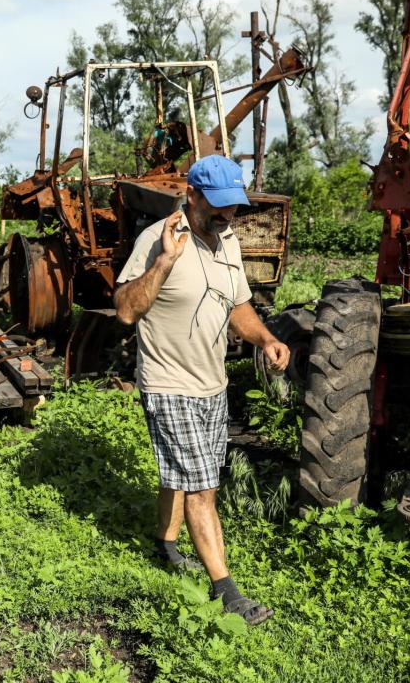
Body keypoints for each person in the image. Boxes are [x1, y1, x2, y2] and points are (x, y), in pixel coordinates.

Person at [114, 154, 290, 627]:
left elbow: (239, 306)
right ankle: (228, 592)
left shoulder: (227, 239)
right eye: (217, 205)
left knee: (183, 472)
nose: (226, 215)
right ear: (191, 194)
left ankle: (165, 545)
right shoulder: (157, 240)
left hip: (213, 383)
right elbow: (127, 310)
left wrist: (266, 338)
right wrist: (165, 263)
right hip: (170, 383)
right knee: (203, 488)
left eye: (233, 206)